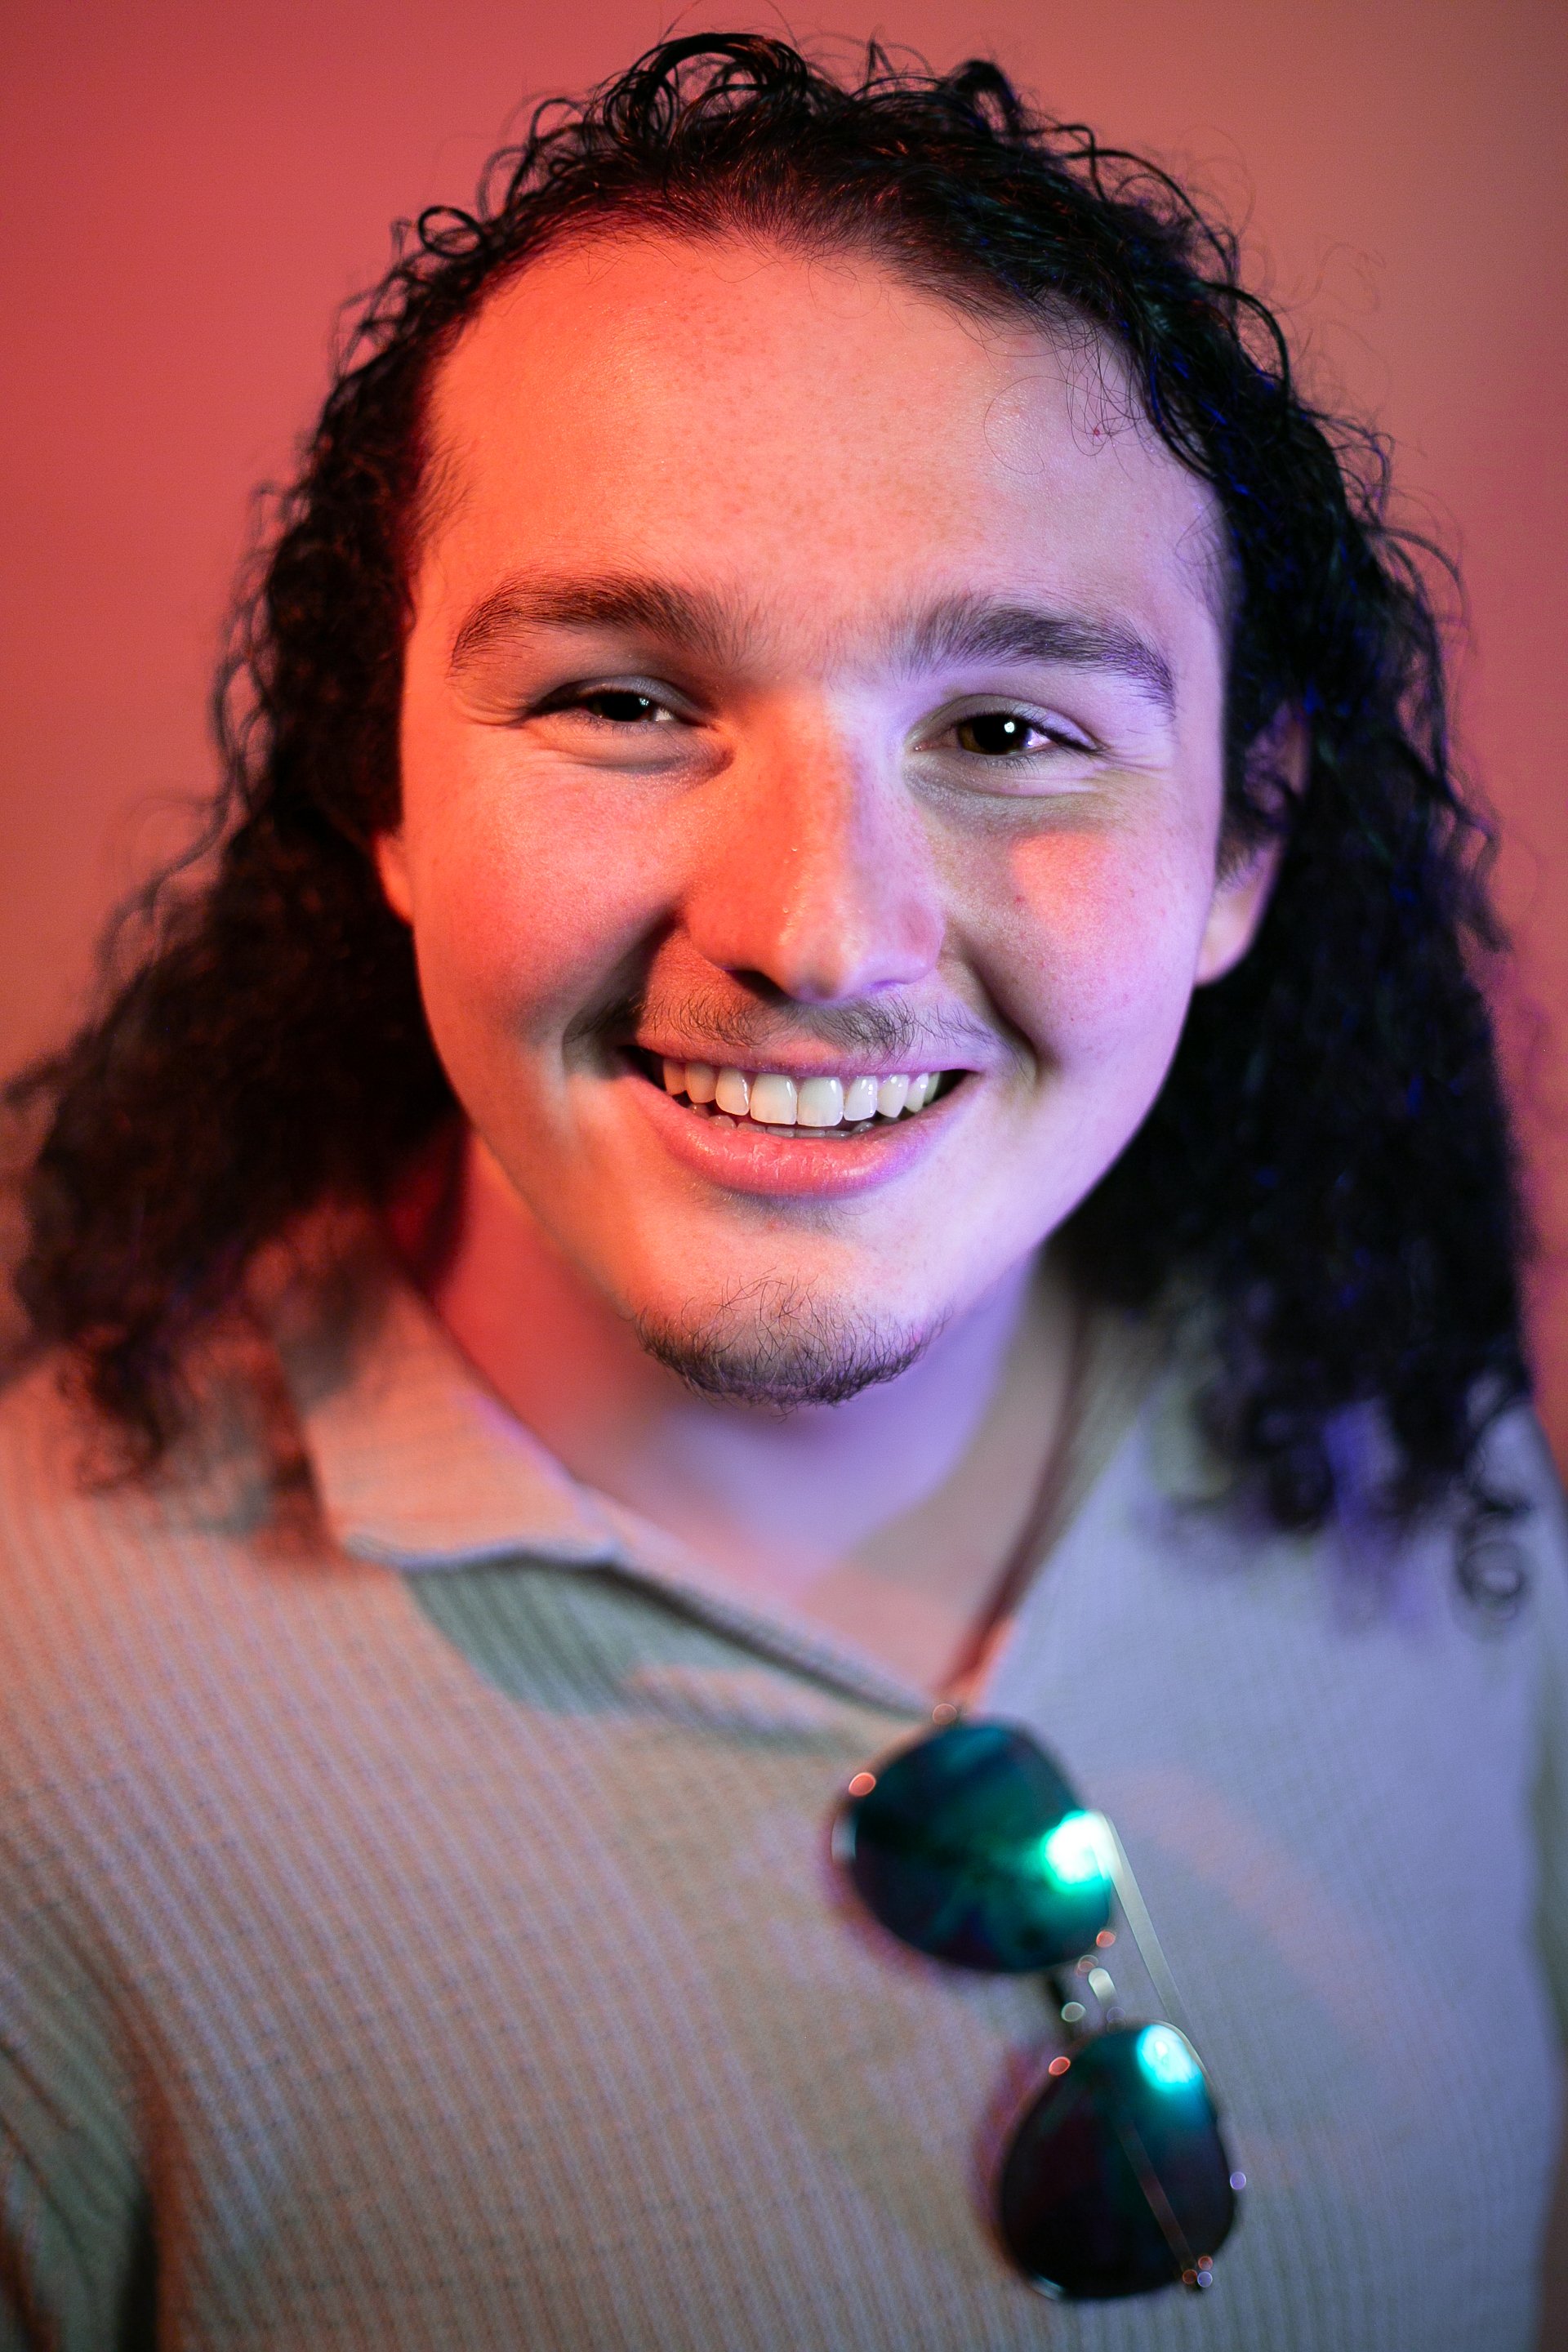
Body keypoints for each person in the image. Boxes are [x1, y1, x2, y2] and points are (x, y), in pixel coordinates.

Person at [2, 32, 1562, 2350]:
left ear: (1241, 837)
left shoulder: (1421, 1475)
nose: (822, 934)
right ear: (386, 794)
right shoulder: (38, 1724)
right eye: (625, 698)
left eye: (1014, 731)